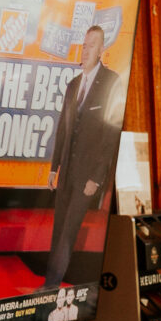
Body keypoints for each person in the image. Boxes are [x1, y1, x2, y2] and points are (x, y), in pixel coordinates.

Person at [42, 22, 124, 288]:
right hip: (66, 173)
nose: (85, 50)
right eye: (84, 45)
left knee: (68, 231)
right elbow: (63, 130)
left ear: (101, 50)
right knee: (58, 230)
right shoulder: (72, 85)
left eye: (91, 46)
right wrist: (54, 169)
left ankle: (51, 285)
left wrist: (96, 177)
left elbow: (110, 137)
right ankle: (52, 280)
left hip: (88, 176)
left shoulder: (112, 82)